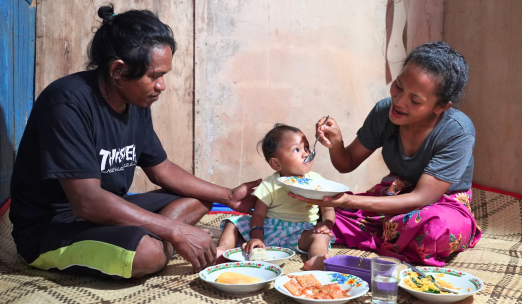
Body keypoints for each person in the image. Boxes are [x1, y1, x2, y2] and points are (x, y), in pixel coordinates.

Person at [9, 5, 260, 279]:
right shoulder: (67, 104)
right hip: (53, 227)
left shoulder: (135, 102)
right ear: (118, 70)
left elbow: (161, 169)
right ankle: (152, 246)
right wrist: (174, 230)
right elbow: (87, 203)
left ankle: (148, 239)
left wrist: (228, 195)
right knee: (147, 254)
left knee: (200, 198)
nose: (162, 85)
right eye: (154, 76)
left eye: (164, 75)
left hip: (107, 210)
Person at [289, 41, 482, 266]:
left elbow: (422, 198)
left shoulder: (457, 131)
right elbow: (347, 162)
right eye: (398, 86)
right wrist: (336, 143)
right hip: (394, 197)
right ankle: (390, 231)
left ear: (440, 107)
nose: (399, 101)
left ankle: (386, 230)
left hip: (441, 204)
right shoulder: (384, 112)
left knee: (434, 231)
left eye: (415, 100)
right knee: (320, 214)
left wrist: (350, 201)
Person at [215, 124, 335, 270]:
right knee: (233, 222)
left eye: (307, 147)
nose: (305, 153)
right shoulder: (269, 184)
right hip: (269, 229)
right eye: (297, 149)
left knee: (321, 237)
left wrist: (326, 225)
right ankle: (221, 251)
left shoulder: (318, 182)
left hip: (301, 233)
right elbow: (258, 214)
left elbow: (328, 209)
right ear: (276, 163)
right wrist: (257, 236)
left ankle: (317, 259)